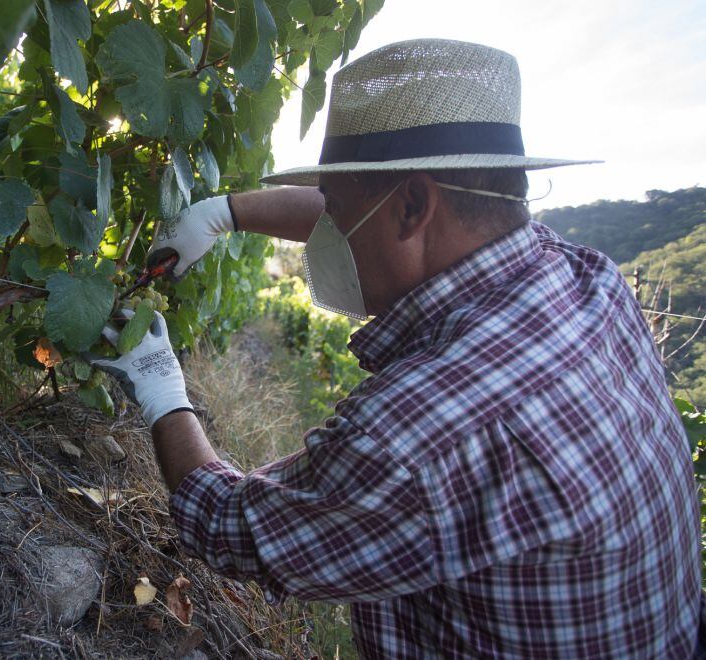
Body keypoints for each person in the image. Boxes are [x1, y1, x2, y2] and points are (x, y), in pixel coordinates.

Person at [91, 39, 702, 657]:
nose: (330, 232)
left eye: (340, 210)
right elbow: (389, 213)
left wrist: (162, 389)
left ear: (411, 205)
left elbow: (233, 527)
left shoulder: (426, 429)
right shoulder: (584, 276)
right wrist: (221, 214)